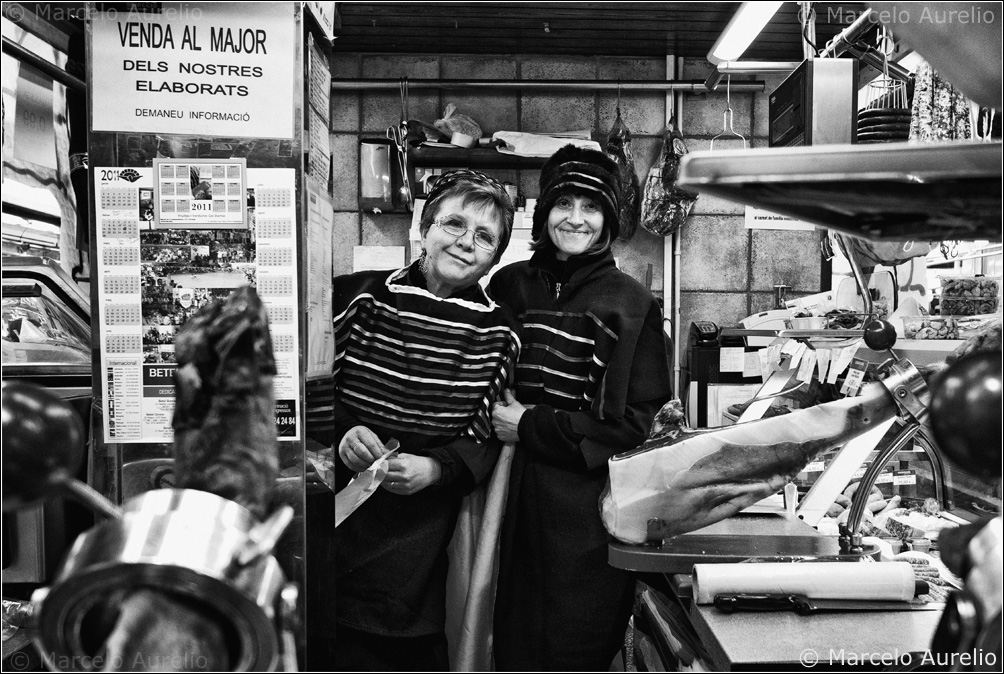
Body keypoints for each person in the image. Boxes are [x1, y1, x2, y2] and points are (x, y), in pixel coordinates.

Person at [320, 169, 520, 672]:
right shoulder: (355, 298)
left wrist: (437, 469)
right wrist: (343, 430)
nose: (465, 242)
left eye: (484, 236)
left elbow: (487, 436)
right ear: (424, 229)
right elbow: (302, 391)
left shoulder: (499, 333)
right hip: (326, 521)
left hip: (419, 543)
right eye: (453, 224)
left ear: (495, 257)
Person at [488, 145, 674, 671]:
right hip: (502, 501)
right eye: (563, 204)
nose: (575, 219)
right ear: (543, 213)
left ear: (608, 220)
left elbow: (640, 423)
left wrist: (529, 424)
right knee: (506, 640)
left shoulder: (631, 301)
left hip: (584, 516)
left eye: (590, 207)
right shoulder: (508, 286)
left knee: (577, 648)